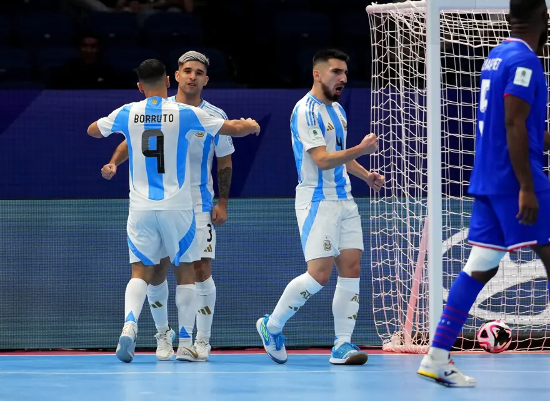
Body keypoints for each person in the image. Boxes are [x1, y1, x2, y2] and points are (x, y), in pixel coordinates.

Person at [416, 0, 550, 388]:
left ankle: (436, 356)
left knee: (480, 264)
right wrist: (526, 187)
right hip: (514, 178)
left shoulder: (496, 58)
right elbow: (514, 123)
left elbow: (518, 123)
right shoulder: (525, 60)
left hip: (487, 177)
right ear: (543, 18)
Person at [87, 59, 259, 363]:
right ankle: (173, 338)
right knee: (182, 273)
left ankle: (144, 328)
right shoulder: (186, 114)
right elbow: (234, 129)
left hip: (157, 205)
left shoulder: (131, 110)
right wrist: (250, 125)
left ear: (140, 86)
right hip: (179, 206)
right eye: (187, 72)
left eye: (199, 72)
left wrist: (222, 202)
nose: (192, 77)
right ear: (172, 78)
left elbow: (95, 130)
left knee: (151, 271)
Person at [256, 49, 384, 365]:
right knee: (319, 275)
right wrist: (363, 148)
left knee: (351, 269)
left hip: (345, 201)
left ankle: (342, 344)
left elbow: (340, 155)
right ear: (317, 73)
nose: (342, 78)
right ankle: (271, 326)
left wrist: (366, 174)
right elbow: (322, 159)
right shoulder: (305, 111)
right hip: (317, 200)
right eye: (335, 72)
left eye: (344, 74)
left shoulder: (338, 111)